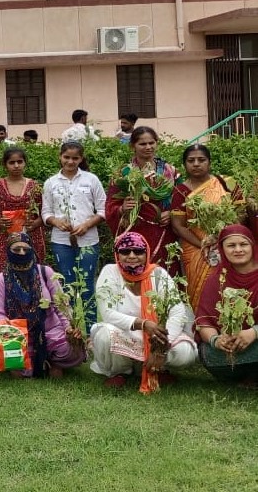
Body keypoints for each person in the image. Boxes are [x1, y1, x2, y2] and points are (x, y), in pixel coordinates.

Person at [90, 232, 196, 392]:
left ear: (146, 252)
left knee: (185, 353)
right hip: (126, 332)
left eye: (138, 251)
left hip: (158, 335)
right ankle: (120, 372)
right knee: (105, 335)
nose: (132, 256)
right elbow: (108, 313)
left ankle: (158, 368)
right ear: (117, 254)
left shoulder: (159, 274)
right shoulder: (110, 272)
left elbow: (177, 312)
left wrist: (160, 346)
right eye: (125, 251)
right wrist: (143, 324)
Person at [0, 233, 86, 378]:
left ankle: (54, 362)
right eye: (16, 249)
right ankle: (26, 363)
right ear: (8, 251)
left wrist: (68, 328)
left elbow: (61, 306)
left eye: (26, 249)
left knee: (70, 343)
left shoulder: (46, 272)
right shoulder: (2, 278)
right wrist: (5, 327)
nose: (22, 253)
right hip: (19, 333)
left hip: (49, 331)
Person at [42, 142, 106, 333]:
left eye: (75, 158)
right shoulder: (51, 182)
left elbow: (102, 210)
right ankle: (70, 332)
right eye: (66, 157)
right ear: (60, 157)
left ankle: (91, 333)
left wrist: (87, 224)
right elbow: (46, 212)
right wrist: (55, 222)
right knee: (66, 286)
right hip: (61, 242)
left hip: (88, 240)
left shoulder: (91, 180)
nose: (70, 161)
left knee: (86, 286)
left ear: (81, 159)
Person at [171, 144, 242, 310]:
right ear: (185, 164)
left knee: (229, 289)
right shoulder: (180, 191)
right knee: (199, 290)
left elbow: (240, 214)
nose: (196, 164)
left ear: (209, 162)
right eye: (191, 160)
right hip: (195, 249)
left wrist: (222, 239)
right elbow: (177, 226)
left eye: (201, 160)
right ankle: (202, 329)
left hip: (228, 245)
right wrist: (205, 243)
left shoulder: (226, 183)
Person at [106, 126, 181, 271]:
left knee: (165, 272)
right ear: (132, 145)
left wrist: (172, 213)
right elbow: (110, 205)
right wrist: (121, 209)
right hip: (135, 231)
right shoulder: (123, 173)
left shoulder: (170, 171)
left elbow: (182, 200)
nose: (148, 147)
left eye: (151, 143)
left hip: (164, 232)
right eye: (142, 144)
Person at [194, 225, 258, 384]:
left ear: (252, 246)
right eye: (231, 245)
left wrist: (253, 333)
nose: (238, 250)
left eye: (243, 244)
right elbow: (203, 321)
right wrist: (217, 340)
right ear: (222, 249)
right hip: (228, 349)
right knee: (208, 352)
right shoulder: (217, 279)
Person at [0, 147, 46, 275]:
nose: (16, 166)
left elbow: (44, 214)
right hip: (5, 238)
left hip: (31, 237)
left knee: (33, 274)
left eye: (20, 162)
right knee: (6, 273)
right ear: (5, 165)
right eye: (11, 163)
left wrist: (35, 223)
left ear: (25, 163)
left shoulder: (34, 186)